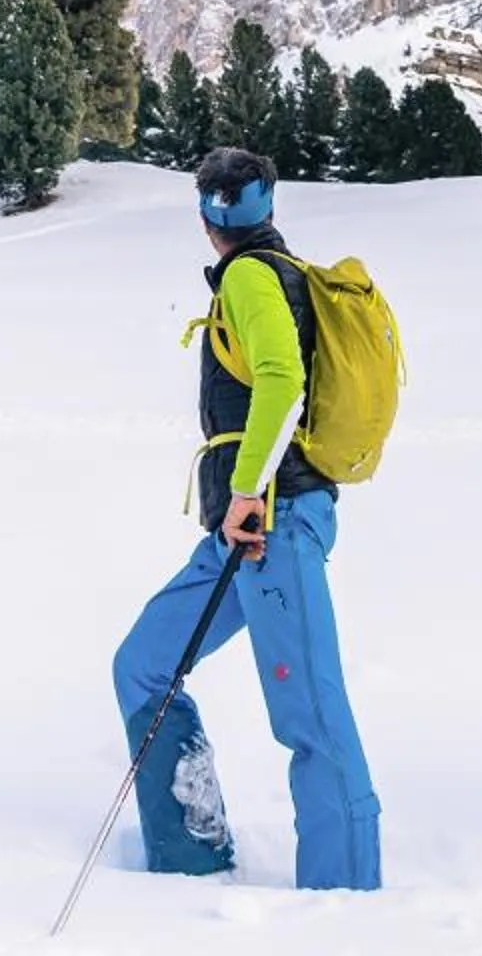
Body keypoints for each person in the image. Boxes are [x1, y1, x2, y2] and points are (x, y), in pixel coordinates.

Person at [108, 147, 380, 891]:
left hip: (272, 524)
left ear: (204, 219)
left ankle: (349, 903)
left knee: (311, 717)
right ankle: (191, 851)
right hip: (244, 528)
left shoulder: (255, 277)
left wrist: (250, 491)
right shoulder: (264, 273)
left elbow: (283, 382)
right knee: (145, 663)